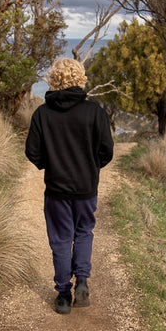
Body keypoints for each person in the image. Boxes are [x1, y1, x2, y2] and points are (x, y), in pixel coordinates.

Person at [25, 58, 114, 314]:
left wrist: (51, 166)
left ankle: (63, 295)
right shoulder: (95, 112)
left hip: (56, 190)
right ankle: (82, 282)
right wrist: (90, 167)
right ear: (80, 78)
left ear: (53, 79)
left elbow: (32, 152)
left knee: (61, 239)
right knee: (84, 232)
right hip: (86, 188)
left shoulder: (42, 113)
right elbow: (106, 151)